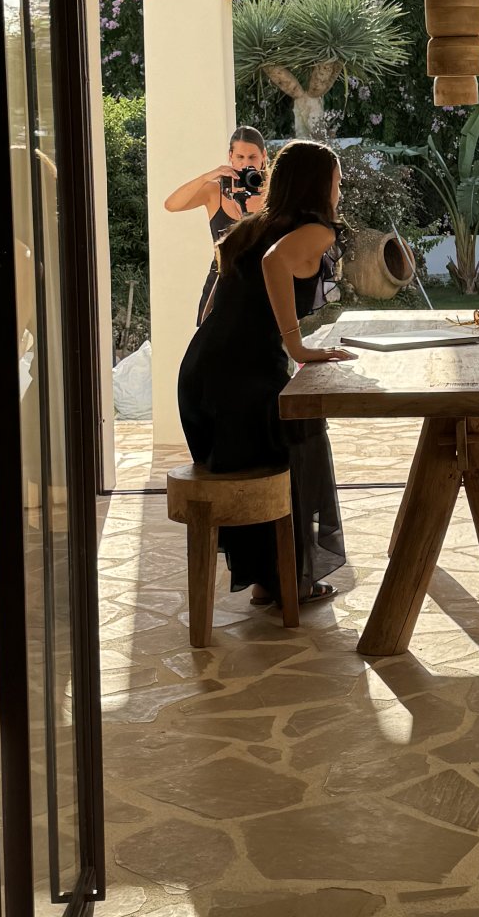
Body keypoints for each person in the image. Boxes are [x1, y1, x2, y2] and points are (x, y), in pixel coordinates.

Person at [177, 139, 355, 606]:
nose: (340, 191)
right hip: (243, 373)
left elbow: (216, 300)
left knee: (257, 462)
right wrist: (296, 345)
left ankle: (268, 580)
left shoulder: (252, 225)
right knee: (299, 437)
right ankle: (289, 580)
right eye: (337, 182)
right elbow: (275, 262)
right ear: (317, 185)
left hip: (200, 372)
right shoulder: (315, 230)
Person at [163, 125, 269, 324]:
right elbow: (171, 205)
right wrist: (207, 177)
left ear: (263, 156)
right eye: (240, 157)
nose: (246, 163)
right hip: (221, 284)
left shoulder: (273, 192)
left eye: (252, 157)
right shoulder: (215, 192)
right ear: (230, 157)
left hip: (263, 286)